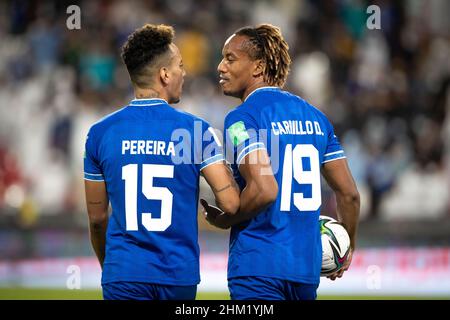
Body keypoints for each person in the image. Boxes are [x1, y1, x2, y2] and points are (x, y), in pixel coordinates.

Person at [201, 24, 360, 300]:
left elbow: (264, 190)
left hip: (257, 268)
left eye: (230, 58)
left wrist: (227, 219)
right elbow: (349, 195)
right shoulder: (317, 118)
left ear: (258, 67)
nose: (220, 67)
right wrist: (346, 247)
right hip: (305, 273)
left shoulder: (241, 119)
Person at [83, 24, 240, 300]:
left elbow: (97, 220)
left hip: (124, 274)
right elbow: (230, 203)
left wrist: (111, 267)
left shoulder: (100, 133)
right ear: (165, 74)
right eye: (180, 65)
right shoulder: (196, 131)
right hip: (176, 275)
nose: (184, 72)